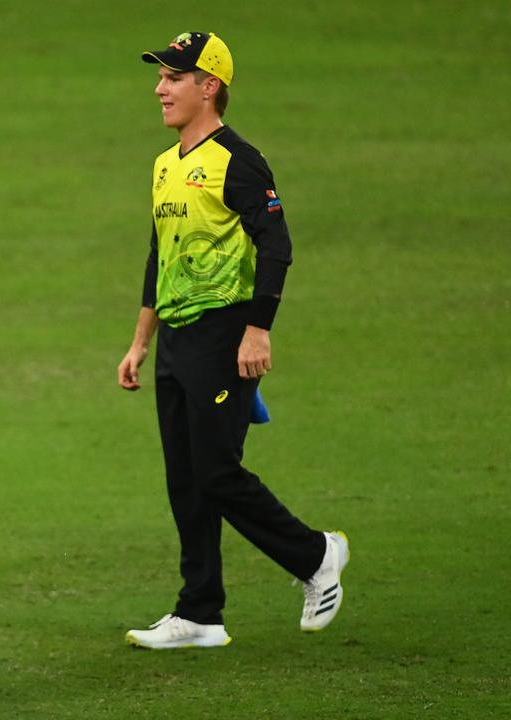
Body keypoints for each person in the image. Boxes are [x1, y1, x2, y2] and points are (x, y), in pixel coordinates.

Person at [116, 31, 349, 649]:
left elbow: (278, 247)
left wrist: (257, 330)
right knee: (184, 477)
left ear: (208, 86)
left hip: (226, 335)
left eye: (173, 77)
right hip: (178, 340)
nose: (160, 88)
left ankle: (317, 555)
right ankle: (200, 613)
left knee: (217, 472)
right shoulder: (166, 164)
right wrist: (141, 341)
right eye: (161, 76)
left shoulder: (238, 160)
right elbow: (158, 254)